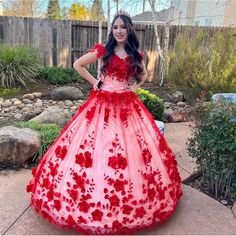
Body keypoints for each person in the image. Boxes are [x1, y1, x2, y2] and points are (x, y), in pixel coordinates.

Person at [26, 10, 183, 235]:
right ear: (112, 30)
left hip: (127, 105)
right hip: (102, 104)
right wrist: (96, 82)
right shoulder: (103, 50)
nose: (119, 31)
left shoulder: (136, 53)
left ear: (129, 30)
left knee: (128, 150)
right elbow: (77, 64)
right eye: (115, 27)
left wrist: (134, 87)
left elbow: (143, 75)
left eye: (122, 27)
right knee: (97, 147)